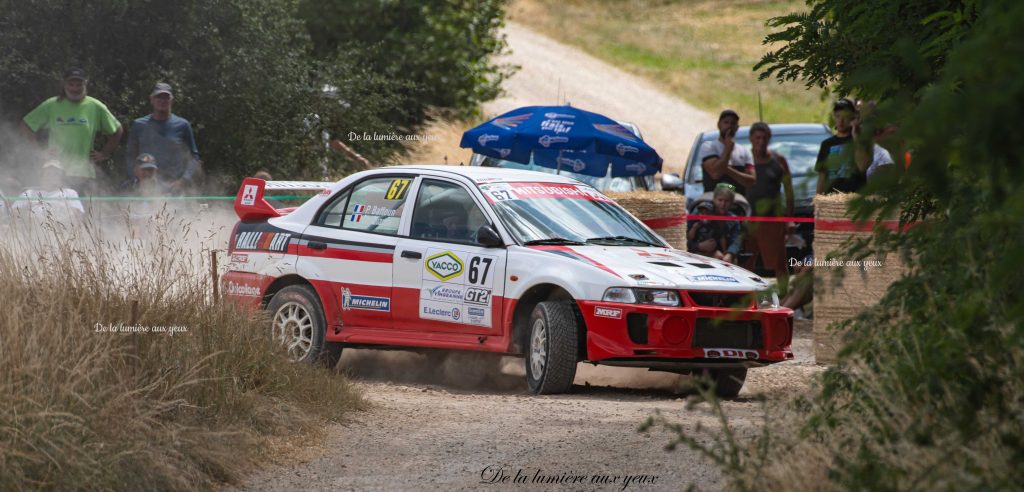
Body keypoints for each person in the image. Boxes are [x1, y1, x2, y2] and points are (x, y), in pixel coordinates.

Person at [19, 68, 124, 195]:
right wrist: (39, 151)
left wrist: (104, 153)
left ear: (85, 84)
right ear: (64, 85)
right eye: (71, 84)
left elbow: (117, 130)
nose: (75, 88)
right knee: (55, 211)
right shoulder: (52, 104)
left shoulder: (95, 106)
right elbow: (26, 125)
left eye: (79, 84)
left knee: (82, 213)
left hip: (83, 172)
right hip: (55, 170)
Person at [744, 122, 794, 293]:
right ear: (751, 138)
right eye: (757, 137)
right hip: (749, 219)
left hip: (773, 219)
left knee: (780, 262)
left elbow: (788, 191)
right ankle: (745, 295)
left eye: (764, 137)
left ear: (769, 139)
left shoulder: (778, 161)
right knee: (748, 259)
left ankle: (785, 295)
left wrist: (789, 220)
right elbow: (730, 186)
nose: (761, 141)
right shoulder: (744, 160)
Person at [126, 82, 200, 193]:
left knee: (175, 211)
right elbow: (131, 156)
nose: (162, 101)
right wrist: (135, 179)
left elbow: (194, 157)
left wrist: (184, 180)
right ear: (151, 99)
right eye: (158, 97)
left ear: (172, 100)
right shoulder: (138, 125)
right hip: (147, 187)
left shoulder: (183, 125)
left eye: (166, 97)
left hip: (175, 188)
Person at [816, 98, 894, 194]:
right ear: (834, 117)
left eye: (845, 117)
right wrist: (818, 201)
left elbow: (863, 166)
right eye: (837, 116)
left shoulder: (863, 141)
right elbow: (822, 176)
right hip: (831, 200)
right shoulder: (827, 144)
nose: (841, 121)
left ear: (853, 118)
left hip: (854, 197)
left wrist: (856, 135)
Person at [699, 109, 755, 197]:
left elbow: (751, 181)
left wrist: (726, 169)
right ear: (719, 124)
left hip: (738, 202)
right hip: (711, 201)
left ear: (737, 127)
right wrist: (728, 149)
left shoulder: (744, 151)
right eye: (726, 122)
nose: (729, 126)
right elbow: (715, 173)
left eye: (733, 123)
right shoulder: (708, 146)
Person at [11, 160, 85, 221]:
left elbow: (77, 213)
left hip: (62, 230)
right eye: (48, 173)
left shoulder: (70, 193)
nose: (52, 176)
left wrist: (58, 222)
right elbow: (15, 212)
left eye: (56, 173)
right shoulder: (29, 193)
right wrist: (31, 219)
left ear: (61, 177)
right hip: (33, 230)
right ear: (41, 175)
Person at [687, 184, 742, 264]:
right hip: (696, 253)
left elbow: (737, 239)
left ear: (732, 203)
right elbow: (683, 238)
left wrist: (730, 253)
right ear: (714, 200)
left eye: (727, 201)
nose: (723, 204)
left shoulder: (733, 220)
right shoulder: (700, 212)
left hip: (723, 254)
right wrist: (699, 246)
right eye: (720, 200)